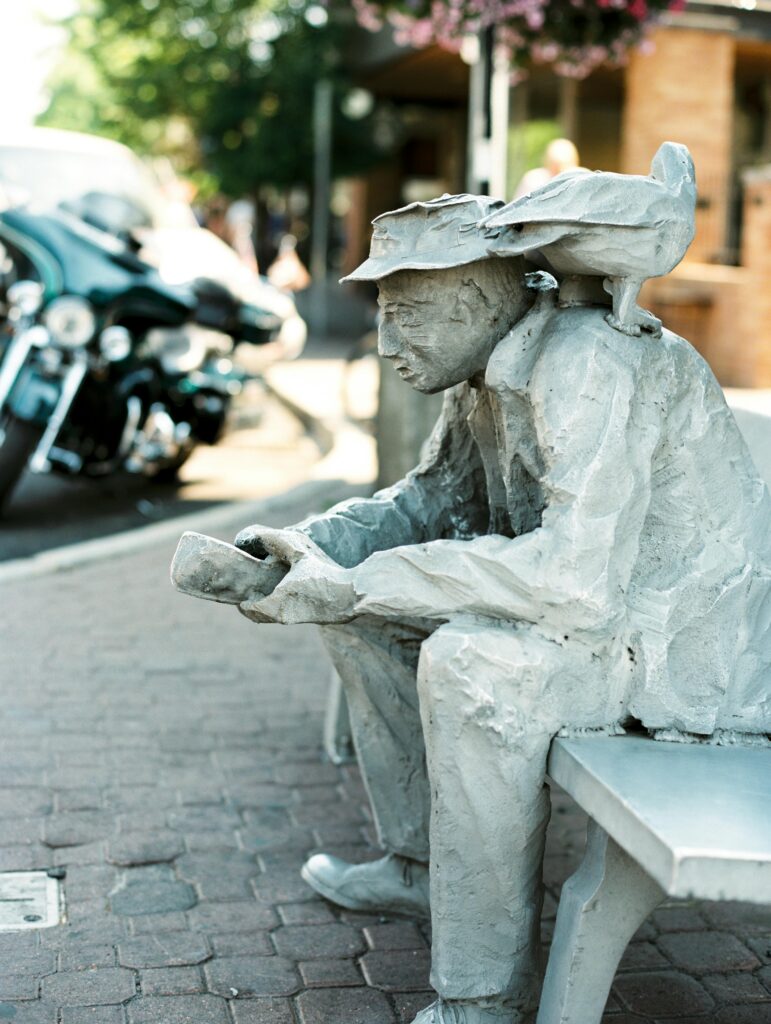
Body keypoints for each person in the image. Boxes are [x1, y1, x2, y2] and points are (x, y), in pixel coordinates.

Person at [227, 193, 770, 1024]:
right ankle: (419, 867)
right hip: (605, 623)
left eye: (405, 317)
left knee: (473, 662)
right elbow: (427, 502)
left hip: (676, 655)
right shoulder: (484, 365)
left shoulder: (588, 362)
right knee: (353, 603)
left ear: (479, 302)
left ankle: (480, 999)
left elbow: (578, 583)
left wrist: (367, 577)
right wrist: (312, 548)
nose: (383, 344)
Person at [514, 137, 581, 199]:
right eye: (555, 167)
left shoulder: (581, 180)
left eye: (564, 167)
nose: (559, 174)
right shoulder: (533, 181)